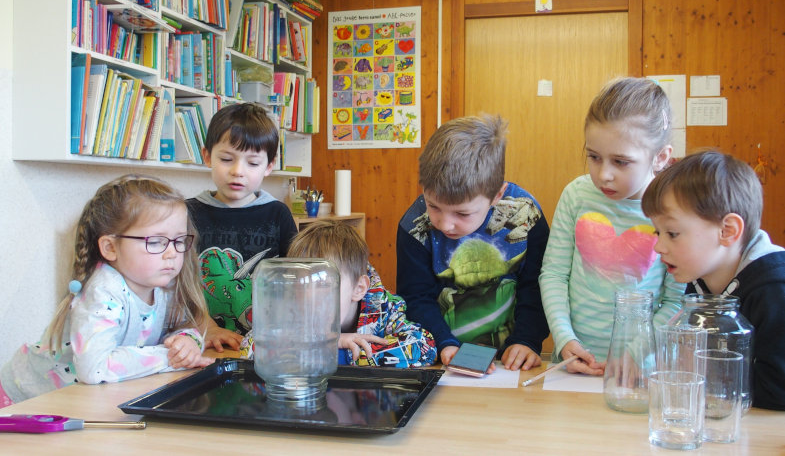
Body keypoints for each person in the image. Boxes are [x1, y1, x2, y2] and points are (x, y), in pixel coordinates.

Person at [0, 175, 213, 407]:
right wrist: (169, 358)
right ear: (110, 247)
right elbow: (94, 368)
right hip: (24, 398)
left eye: (179, 240)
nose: (172, 253)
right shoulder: (103, 290)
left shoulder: (164, 284)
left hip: (80, 400)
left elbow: (184, 328)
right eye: (155, 241)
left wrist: (187, 343)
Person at [539, 77, 686, 376]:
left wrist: (634, 353)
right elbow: (554, 274)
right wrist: (564, 337)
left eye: (621, 162)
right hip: (573, 364)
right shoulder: (576, 194)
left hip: (640, 371)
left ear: (660, 157)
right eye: (593, 157)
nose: (604, 174)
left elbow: (677, 300)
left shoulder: (674, 212)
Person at [396, 115, 550, 371]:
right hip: (441, 357)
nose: (444, 224)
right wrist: (444, 343)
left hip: (511, 360)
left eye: (462, 213)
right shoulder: (414, 226)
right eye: (434, 206)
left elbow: (536, 284)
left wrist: (527, 340)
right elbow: (415, 296)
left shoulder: (526, 214)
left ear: (496, 195)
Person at [642, 150, 785, 410]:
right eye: (658, 232)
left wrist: (699, 373)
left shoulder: (775, 289)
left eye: (672, 233)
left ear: (727, 231)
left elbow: (778, 390)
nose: (659, 246)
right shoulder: (699, 279)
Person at [242, 220, 437, 368]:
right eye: (302, 283)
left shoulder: (384, 309)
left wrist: (341, 354)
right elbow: (251, 346)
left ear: (358, 289)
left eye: (323, 284)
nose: (307, 297)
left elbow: (424, 345)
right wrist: (328, 343)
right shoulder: (293, 306)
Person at [187, 103, 297, 352]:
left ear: (269, 166)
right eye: (227, 159)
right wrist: (206, 327)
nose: (237, 171)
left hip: (267, 347)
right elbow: (174, 285)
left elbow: (297, 282)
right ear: (207, 157)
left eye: (253, 163)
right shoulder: (187, 214)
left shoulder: (277, 214)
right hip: (202, 343)